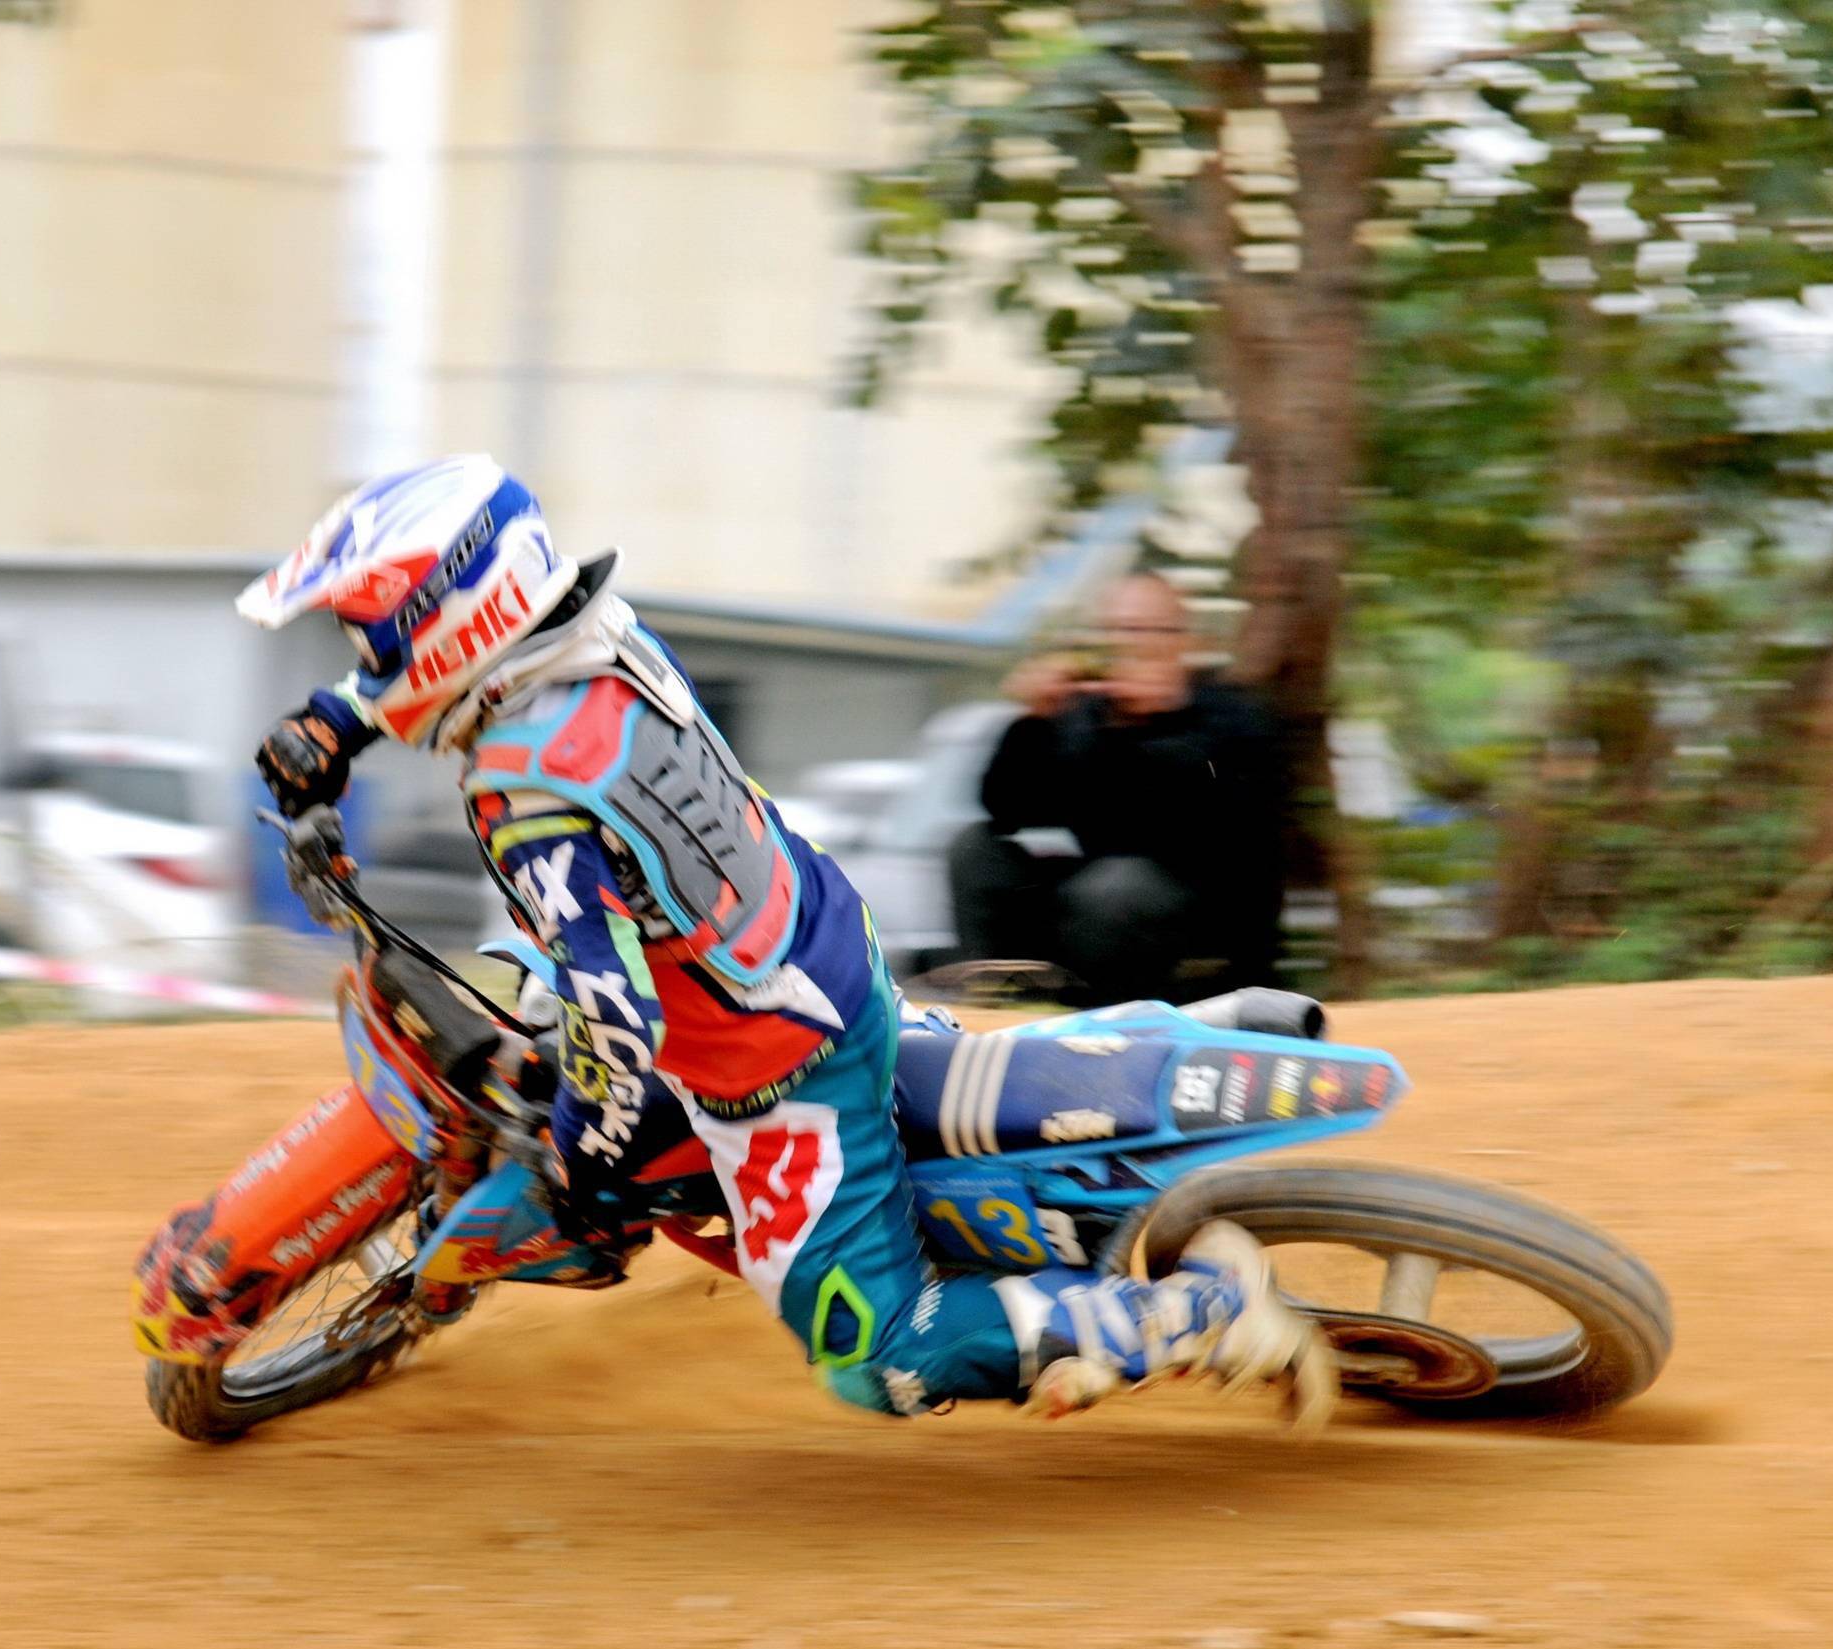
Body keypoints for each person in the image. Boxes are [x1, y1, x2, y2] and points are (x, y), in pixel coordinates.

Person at [240, 455, 1329, 1424]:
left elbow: (615, 1028)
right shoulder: (598, 639)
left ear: (453, 621)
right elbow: (454, 678)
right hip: (813, 937)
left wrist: (580, 1158)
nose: (366, 653)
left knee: (874, 1353)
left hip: (766, 1068)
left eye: (374, 631)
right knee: (591, 1032)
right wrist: (342, 719)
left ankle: (1194, 1311)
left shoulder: (524, 796)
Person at [943, 574, 1286, 1008]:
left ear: (1183, 639)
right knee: (976, 848)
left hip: (1205, 905)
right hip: (1094, 905)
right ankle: (998, 1004)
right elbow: (1006, 808)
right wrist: (1034, 721)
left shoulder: (1228, 714)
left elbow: (1226, 824)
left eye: (1145, 629)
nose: (1130, 643)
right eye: (1117, 630)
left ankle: (1113, 1022)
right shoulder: (1091, 713)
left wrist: (1156, 721)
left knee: (1116, 887)